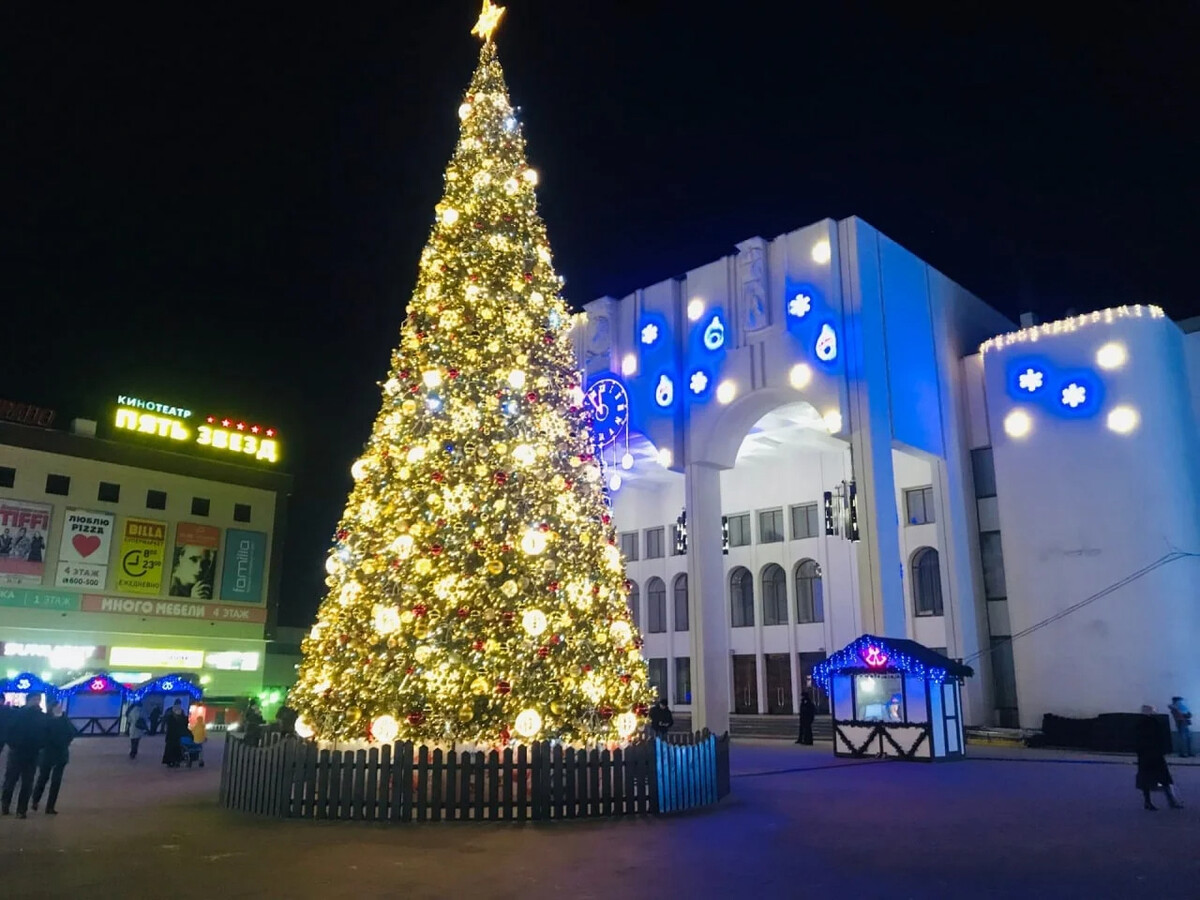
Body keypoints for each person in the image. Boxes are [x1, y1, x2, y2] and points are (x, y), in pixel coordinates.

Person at [1, 693, 47, 818]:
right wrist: (13, 744)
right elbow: (8, 730)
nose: (37, 702)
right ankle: (5, 805)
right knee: (11, 781)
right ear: (28, 700)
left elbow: (46, 733)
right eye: (35, 699)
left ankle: (21, 810)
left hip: (32, 753)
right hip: (18, 751)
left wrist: (41, 745)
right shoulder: (18, 715)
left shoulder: (41, 717)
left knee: (27, 783)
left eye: (39, 699)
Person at [31, 700, 74, 814]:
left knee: (53, 781)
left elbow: (72, 732)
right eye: (57, 706)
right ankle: (38, 801)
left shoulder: (61, 719)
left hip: (55, 754)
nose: (59, 708)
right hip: (52, 753)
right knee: (45, 779)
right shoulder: (51, 720)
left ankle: (47, 805)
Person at [1135, 705, 1182, 811]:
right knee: (1164, 779)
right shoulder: (1155, 723)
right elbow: (1161, 737)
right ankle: (1172, 801)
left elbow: (1137, 740)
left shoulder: (1139, 724)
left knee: (1146, 779)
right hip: (1155, 755)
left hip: (1144, 756)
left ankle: (1148, 802)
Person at [161, 700, 188, 768]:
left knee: (171, 749)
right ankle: (176, 761)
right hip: (176, 735)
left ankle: (170, 761)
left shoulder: (170, 712)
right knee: (176, 749)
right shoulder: (180, 712)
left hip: (171, 735)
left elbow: (165, 721)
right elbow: (184, 723)